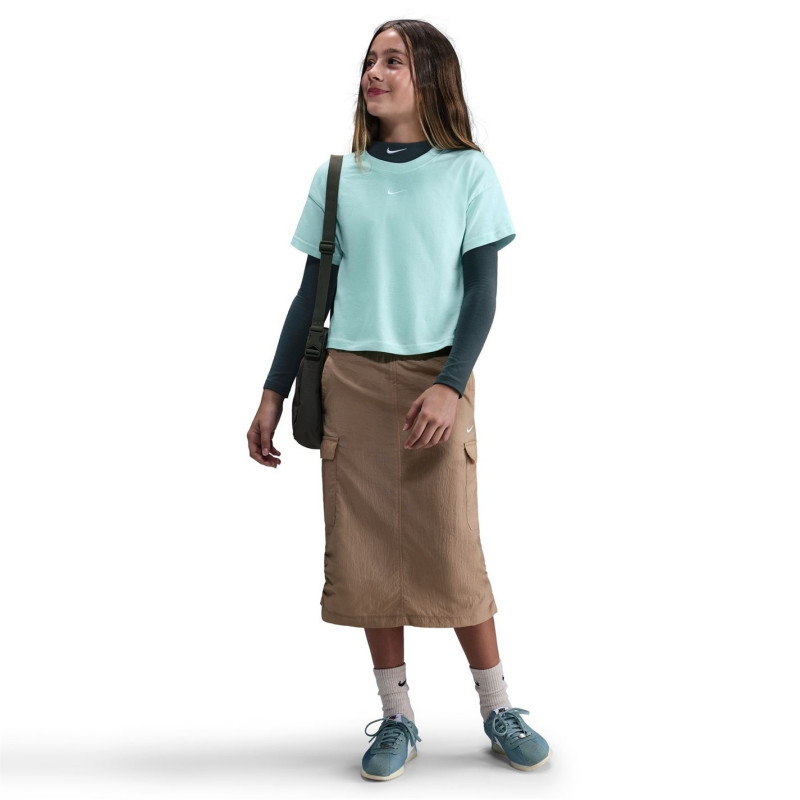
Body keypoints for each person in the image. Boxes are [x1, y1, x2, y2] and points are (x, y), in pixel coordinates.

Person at [247, 19, 550, 781]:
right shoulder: (337, 176)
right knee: (366, 552)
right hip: (349, 382)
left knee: (452, 545)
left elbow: (482, 293)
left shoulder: (468, 172)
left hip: (435, 383)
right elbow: (310, 296)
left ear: (431, 79)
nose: (374, 73)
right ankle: (397, 715)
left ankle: (497, 706)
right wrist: (273, 392)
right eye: (370, 60)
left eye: (394, 61)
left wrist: (449, 384)